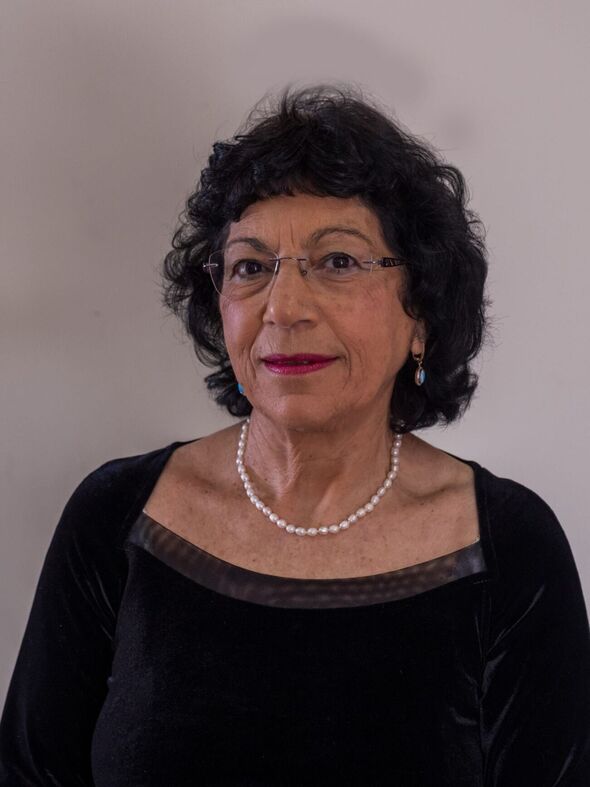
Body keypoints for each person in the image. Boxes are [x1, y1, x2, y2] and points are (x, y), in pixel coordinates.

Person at [1, 84, 589, 786]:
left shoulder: (509, 546)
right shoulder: (115, 517)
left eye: (337, 261)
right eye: (251, 267)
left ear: (422, 314)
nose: (283, 307)